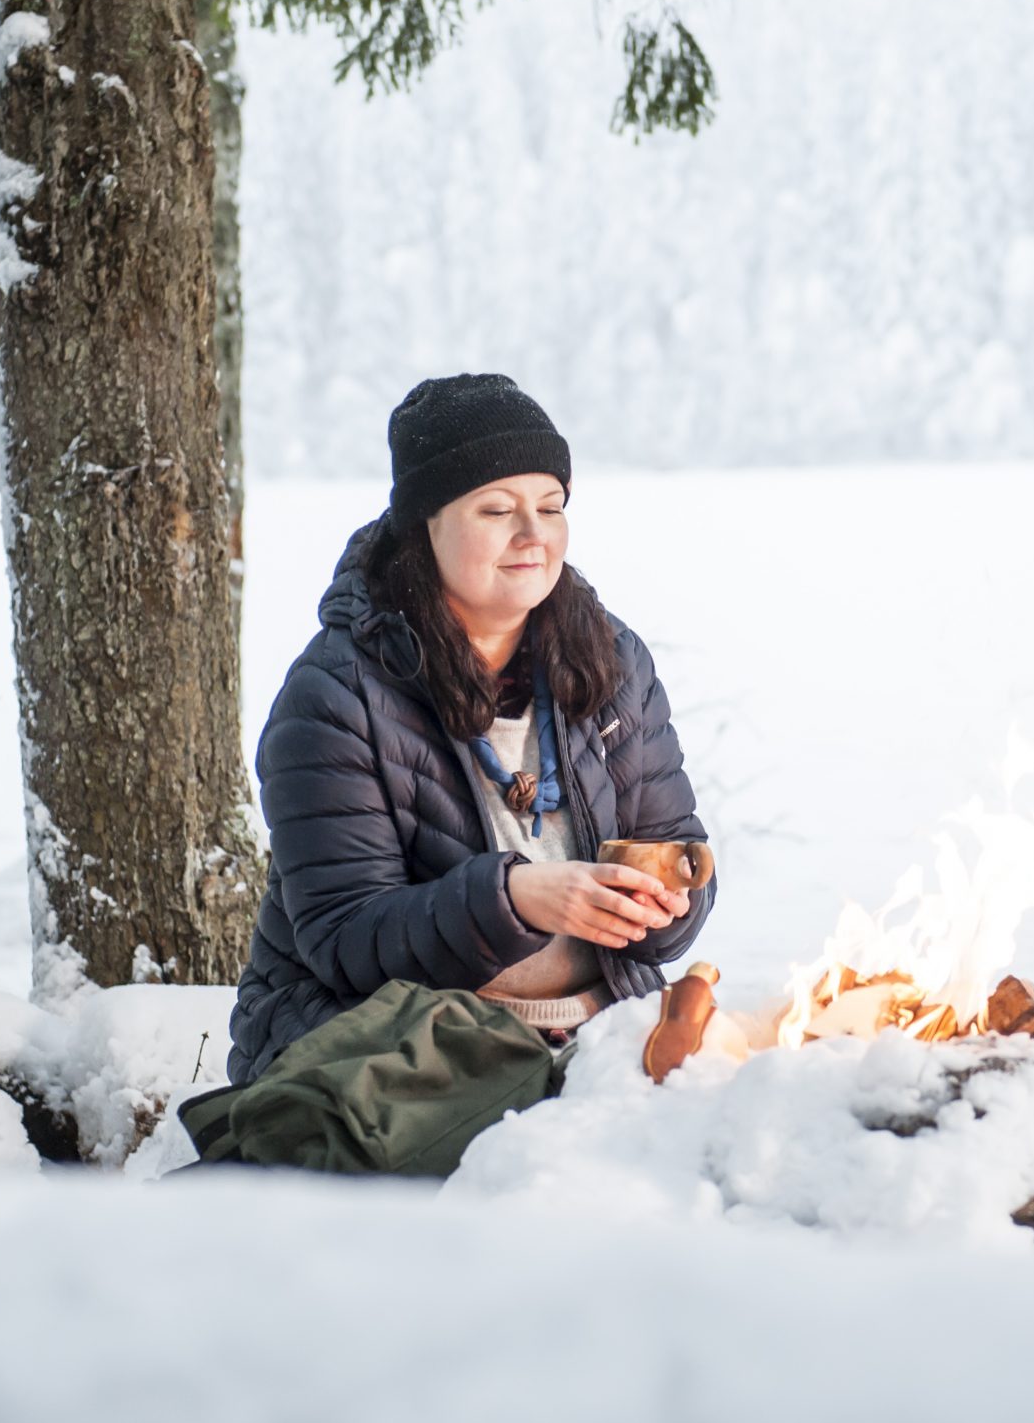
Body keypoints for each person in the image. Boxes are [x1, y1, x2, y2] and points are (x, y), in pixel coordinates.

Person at [194, 372, 717, 1174]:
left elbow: (680, 851)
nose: (533, 533)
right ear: (425, 525)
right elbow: (343, 938)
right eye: (497, 509)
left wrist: (670, 898)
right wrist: (512, 898)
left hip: (594, 1028)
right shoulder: (335, 694)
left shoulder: (610, 661)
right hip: (401, 1051)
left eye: (550, 505)